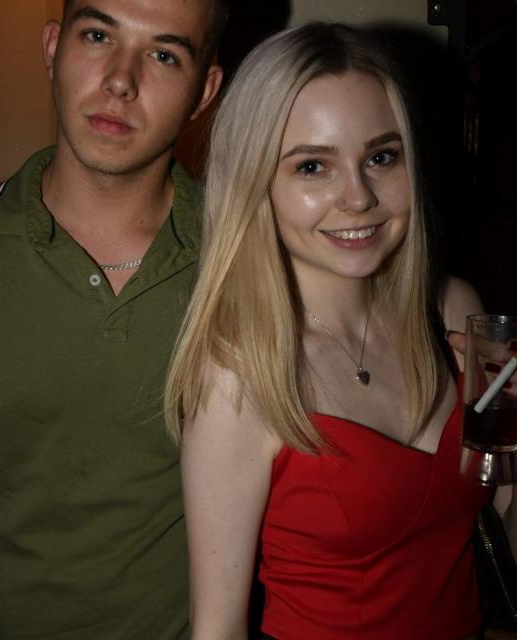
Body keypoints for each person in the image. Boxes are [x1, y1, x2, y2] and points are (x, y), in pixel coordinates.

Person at [0, 0, 225, 638]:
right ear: (52, 48)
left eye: (163, 54)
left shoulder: (249, 267)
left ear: (203, 91)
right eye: (97, 35)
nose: (120, 80)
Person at [165, 23, 516, 640]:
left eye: (381, 157)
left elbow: (504, 535)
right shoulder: (241, 376)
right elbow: (217, 627)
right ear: (256, 184)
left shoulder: (455, 313)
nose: (358, 197)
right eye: (312, 166)